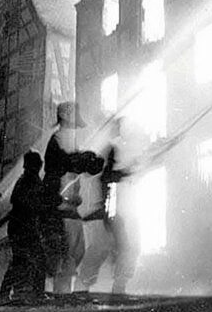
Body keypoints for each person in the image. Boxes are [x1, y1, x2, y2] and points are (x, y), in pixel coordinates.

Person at [40, 101, 104, 293]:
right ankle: (61, 296)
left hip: (69, 208)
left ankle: (62, 294)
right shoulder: (58, 138)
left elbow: (75, 162)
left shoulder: (68, 138)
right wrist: (84, 159)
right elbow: (66, 162)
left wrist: (88, 161)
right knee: (65, 257)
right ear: (65, 116)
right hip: (59, 208)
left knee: (75, 253)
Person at [76, 118, 137, 294]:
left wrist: (125, 172)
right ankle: (110, 287)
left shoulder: (109, 154)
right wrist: (125, 172)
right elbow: (108, 178)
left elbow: (110, 176)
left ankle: (89, 285)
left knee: (111, 249)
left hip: (107, 211)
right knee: (113, 248)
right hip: (107, 211)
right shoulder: (108, 154)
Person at [0, 151, 51, 301]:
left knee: (25, 260)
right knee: (29, 260)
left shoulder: (26, 181)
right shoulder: (28, 181)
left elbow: (17, 208)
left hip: (22, 227)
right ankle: (31, 293)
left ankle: (9, 292)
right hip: (23, 227)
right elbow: (22, 207)